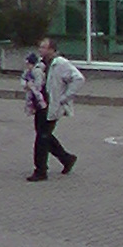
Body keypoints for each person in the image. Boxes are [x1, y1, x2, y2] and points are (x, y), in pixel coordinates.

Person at [25, 36, 84, 181]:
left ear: (51, 49)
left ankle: (40, 170)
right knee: (43, 134)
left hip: (52, 105)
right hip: (40, 103)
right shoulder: (39, 63)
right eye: (40, 47)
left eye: (43, 47)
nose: (40, 50)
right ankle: (66, 158)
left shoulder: (61, 64)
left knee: (42, 138)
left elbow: (78, 79)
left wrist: (65, 97)